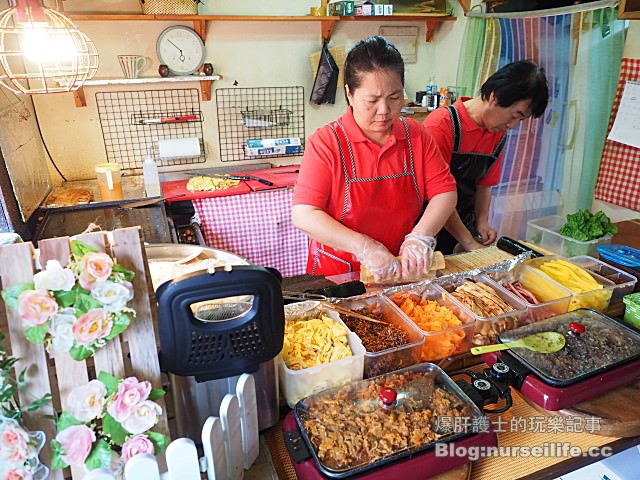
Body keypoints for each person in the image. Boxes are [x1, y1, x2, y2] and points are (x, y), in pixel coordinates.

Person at [292, 35, 457, 283]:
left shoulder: (416, 135)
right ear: (349, 94)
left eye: (394, 98)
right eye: (372, 100)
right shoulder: (327, 142)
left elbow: (445, 192)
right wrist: (364, 247)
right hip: (341, 274)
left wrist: (420, 236)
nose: (384, 111)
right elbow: (304, 214)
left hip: (403, 268)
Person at [423, 60, 549, 254]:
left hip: (463, 225)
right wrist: (469, 242)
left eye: (521, 119)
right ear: (494, 96)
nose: (513, 125)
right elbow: (438, 195)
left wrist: (482, 222)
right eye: (515, 115)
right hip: (428, 227)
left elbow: (484, 185)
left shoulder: (497, 133)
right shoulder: (441, 125)